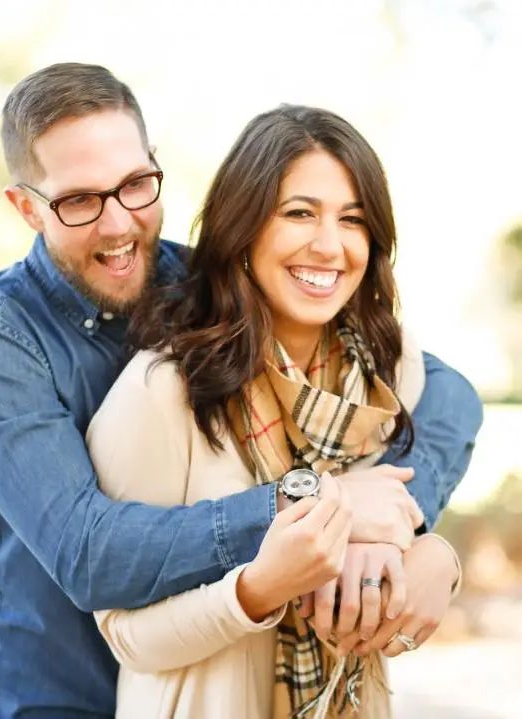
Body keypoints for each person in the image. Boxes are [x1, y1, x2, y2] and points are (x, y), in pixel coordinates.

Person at [0, 62, 483, 719]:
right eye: (79, 200)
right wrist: (314, 505)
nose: (118, 225)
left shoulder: (210, 286)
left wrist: (400, 525)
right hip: (55, 699)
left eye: (135, 185)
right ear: (26, 207)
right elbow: (89, 552)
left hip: (215, 682)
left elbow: (447, 393)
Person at [86, 104, 462, 719]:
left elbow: (397, 518)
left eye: (352, 219)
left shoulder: (386, 372)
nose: (329, 245)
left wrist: (435, 558)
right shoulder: (164, 391)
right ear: (244, 227)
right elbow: (126, 634)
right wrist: (260, 588)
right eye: (299, 214)